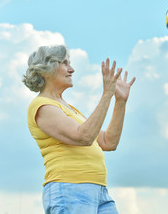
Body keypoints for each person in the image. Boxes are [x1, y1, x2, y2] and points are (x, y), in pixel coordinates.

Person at [23, 45, 135, 214]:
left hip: (99, 190)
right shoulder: (41, 105)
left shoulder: (70, 109)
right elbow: (84, 137)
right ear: (46, 70)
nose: (72, 69)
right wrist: (106, 93)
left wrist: (120, 101)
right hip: (69, 188)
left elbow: (108, 142)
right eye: (64, 63)